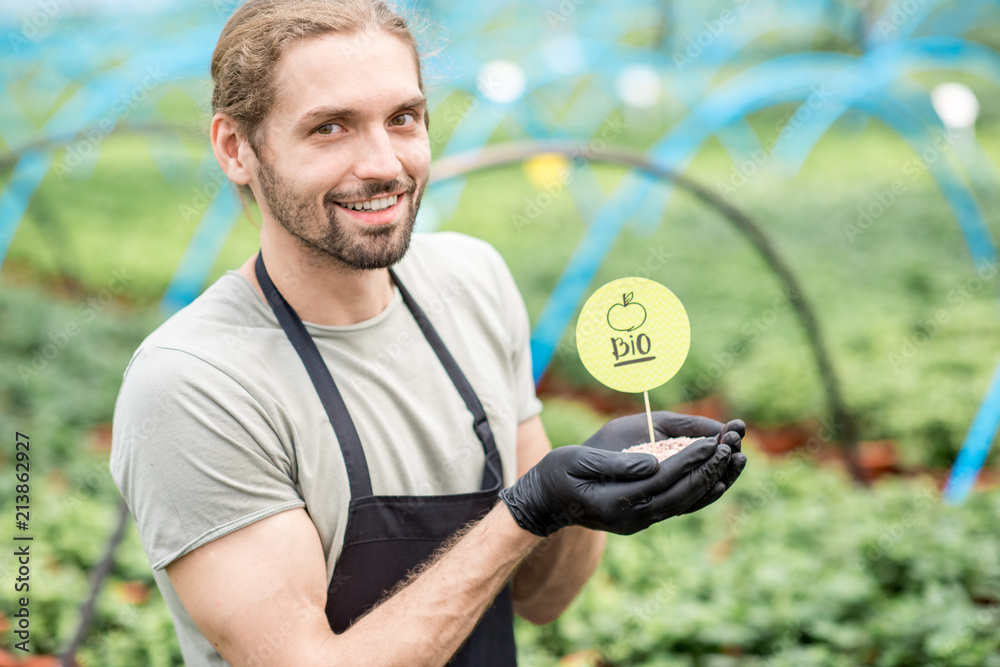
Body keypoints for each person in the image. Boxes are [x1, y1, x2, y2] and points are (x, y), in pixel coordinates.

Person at [109, 1, 747, 665]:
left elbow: (541, 596)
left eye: (403, 118)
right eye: (330, 127)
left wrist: (590, 499)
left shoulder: (473, 282)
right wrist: (525, 510)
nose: (384, 163)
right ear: (236, 148)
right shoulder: (194, 381)